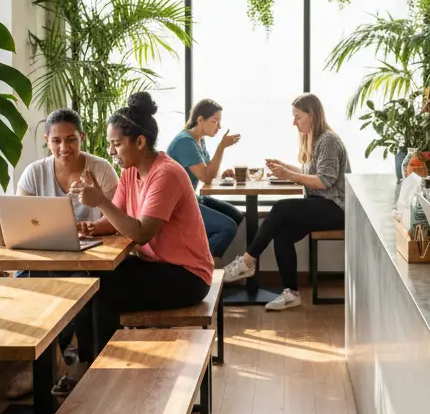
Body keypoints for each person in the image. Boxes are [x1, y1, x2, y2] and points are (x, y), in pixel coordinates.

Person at [74, 92, 213, 352]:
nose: (110, 151)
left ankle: (101, 368)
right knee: (86, 280)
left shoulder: (166, 174)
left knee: (101, 290)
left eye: (115, 144)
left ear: (139, 142)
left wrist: (99, 201)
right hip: (156, 266)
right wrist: (90, 227)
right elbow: (117, 217)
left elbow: (140, 234)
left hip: (188, 276)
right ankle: (87, 361)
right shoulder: (130, 172)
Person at [10, 108, 119, 397]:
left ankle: (69, 364)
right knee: (25, 282)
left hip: (91, 255)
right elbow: (21, 217)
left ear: (81, 138)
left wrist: (94, 228)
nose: (64, 148)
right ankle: (51, 361)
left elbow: (119, 217)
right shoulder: (35, 172)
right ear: (47, 140)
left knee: (79, 285)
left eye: (71, 140)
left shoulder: (101, 169)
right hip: (47, 254)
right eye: (56, 141)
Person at [222, 94, 349, 312]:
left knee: (281, 208)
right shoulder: (316, 138)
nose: (294, 122)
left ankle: (247, 261)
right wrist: (286, 168)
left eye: (297, 117)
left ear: (311, 115)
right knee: (282, 234)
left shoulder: (327, 140)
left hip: (337, 208)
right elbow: (312, 173)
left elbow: (323, 181)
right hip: (322, 205)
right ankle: (291, 293)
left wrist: (289, 175)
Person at [167, 98, 244, 257]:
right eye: (215, 121)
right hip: (177, 205)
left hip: (190, 198)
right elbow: (207, 177)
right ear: (200, 120)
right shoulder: (185, 142)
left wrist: (223, 173)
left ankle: (197, 252)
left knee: (236, 215)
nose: (219, 127)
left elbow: (210, 172)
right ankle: (196, 264)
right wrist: (221, 147)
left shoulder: (199, 140)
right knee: (227, 228)